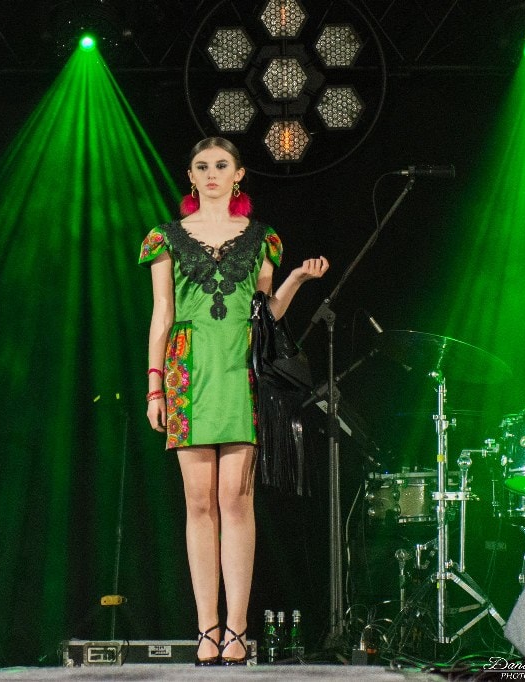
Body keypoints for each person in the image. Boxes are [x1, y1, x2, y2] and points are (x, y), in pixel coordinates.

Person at [139, 137, 328, 666]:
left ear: (239, 174)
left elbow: (267, 314)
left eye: (221, 165)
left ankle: (237, 629)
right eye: (202, 166)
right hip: (188, 370)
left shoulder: (261, 238)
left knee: (236, 500)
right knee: (199, 502)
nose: (212, 173)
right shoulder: (165, 237)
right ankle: (206, 627)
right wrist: (155, 385)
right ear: (190, 176)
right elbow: (161, 313)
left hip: (241, 370)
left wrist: (295, 279)